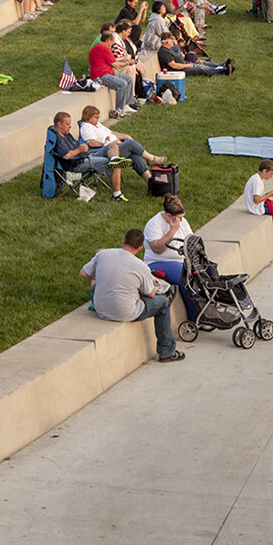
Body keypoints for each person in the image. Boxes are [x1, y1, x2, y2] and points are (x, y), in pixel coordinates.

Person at [80, 229, 184, 363]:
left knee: (98, 283)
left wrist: (101, 276)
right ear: (140, 248)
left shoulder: (103, 254)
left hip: (101, 309)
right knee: (163, 302)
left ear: (123, 239)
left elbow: (83, 273)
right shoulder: (140, 266)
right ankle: (167, 352)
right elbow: (150, 293)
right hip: (125, 312)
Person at [78, 103, 166, 201]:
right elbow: (92, 143)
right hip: (104, 152)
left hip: (114, 148)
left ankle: (150, 182)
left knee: (134, 157)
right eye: (96, 117)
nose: (98, 118)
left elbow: (111, 133)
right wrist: (108, 143)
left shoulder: (97, 125)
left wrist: (126, 136)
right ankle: (151, 159)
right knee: (130, 144)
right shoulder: (86, 127)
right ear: (89, 117)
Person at [88, 29, 138, 119]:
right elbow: (116, 65)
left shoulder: (100, 46)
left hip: (108, 73)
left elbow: (112, 61)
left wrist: (123, 60)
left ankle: (127, 104)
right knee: (122, 84)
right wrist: (128, 63)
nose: (113, 43)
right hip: (101, 76)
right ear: (108, 40)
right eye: (112, 41)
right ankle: (119, 110)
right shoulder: (104, 48)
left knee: (129, 79)